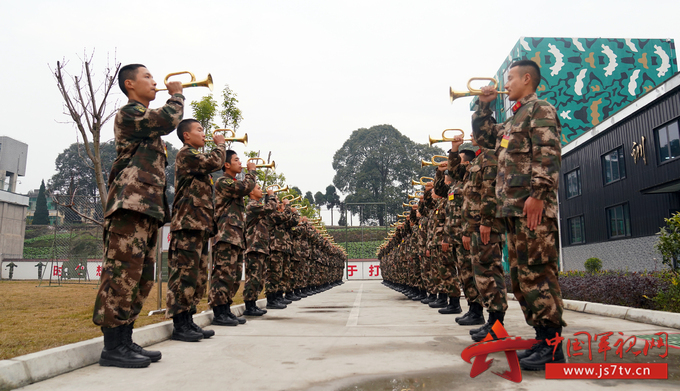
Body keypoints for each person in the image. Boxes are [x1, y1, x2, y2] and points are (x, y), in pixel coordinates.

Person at [472, 59, 565, 370]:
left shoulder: (541, 110)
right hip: (513, 211)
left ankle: (553, 347)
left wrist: (539, 195)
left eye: (510, 78)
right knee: (521, 277)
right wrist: (483, 107)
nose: (506, 84)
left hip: (532, 209)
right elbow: (486, 140)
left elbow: (547, 153)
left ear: (528, 79)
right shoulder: (513, 120)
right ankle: (542, 339)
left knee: (538, 273)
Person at [93, 64, 183, 368]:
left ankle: (126, 339)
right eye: (148, 76)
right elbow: (168, 119)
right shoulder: (130, 114)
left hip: (148, 208)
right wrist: (177, 96)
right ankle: (112, 346)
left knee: (141, 277)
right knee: (121, 275)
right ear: (130, 84)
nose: (155, 81)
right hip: (128, 206)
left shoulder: (147, 125)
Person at [165, 119, 226, 341]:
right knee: (184, 274)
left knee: (198, 276)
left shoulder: (196, 158)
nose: (204, 134)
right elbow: (215, 161)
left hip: (199, 225)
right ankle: (179, 323)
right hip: (187, 225)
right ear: (186, 136)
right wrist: (221, 145)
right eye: (199, 130)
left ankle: (189, 319)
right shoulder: (186, 154)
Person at [449, 136, 508, 342]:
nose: (471, 136)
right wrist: (454, 150)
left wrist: (486, 220)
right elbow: (456, 174)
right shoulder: (479, 160)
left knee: (490, 274)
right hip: (476, 226)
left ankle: (497, 324)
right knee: (481, 274)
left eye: (475, 132)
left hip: (485, 226)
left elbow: (490, 192)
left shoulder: (491, 157)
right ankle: (490, 320)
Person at [210, 152, 257, 326]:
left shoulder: (234, 182)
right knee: (223, 274)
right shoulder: (223, 181)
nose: (241, 163)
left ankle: (226, 309)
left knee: (234, 276)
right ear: (227, 165)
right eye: (236, 160)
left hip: (236, 236)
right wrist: (251, 172)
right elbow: (246, 188)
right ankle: (218, 311)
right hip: (226, 234)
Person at [243, 183, 277, 316]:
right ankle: (249, 305)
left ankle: (253, 303)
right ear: (251, 193)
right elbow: (270, 208)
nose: (261, 190)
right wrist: (272, 197)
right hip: (254, 247)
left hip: (261, 247)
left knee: (259, 278)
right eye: (258, 188)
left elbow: (271, 212)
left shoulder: (259, 207)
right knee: (253, 277)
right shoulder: (252, 205)